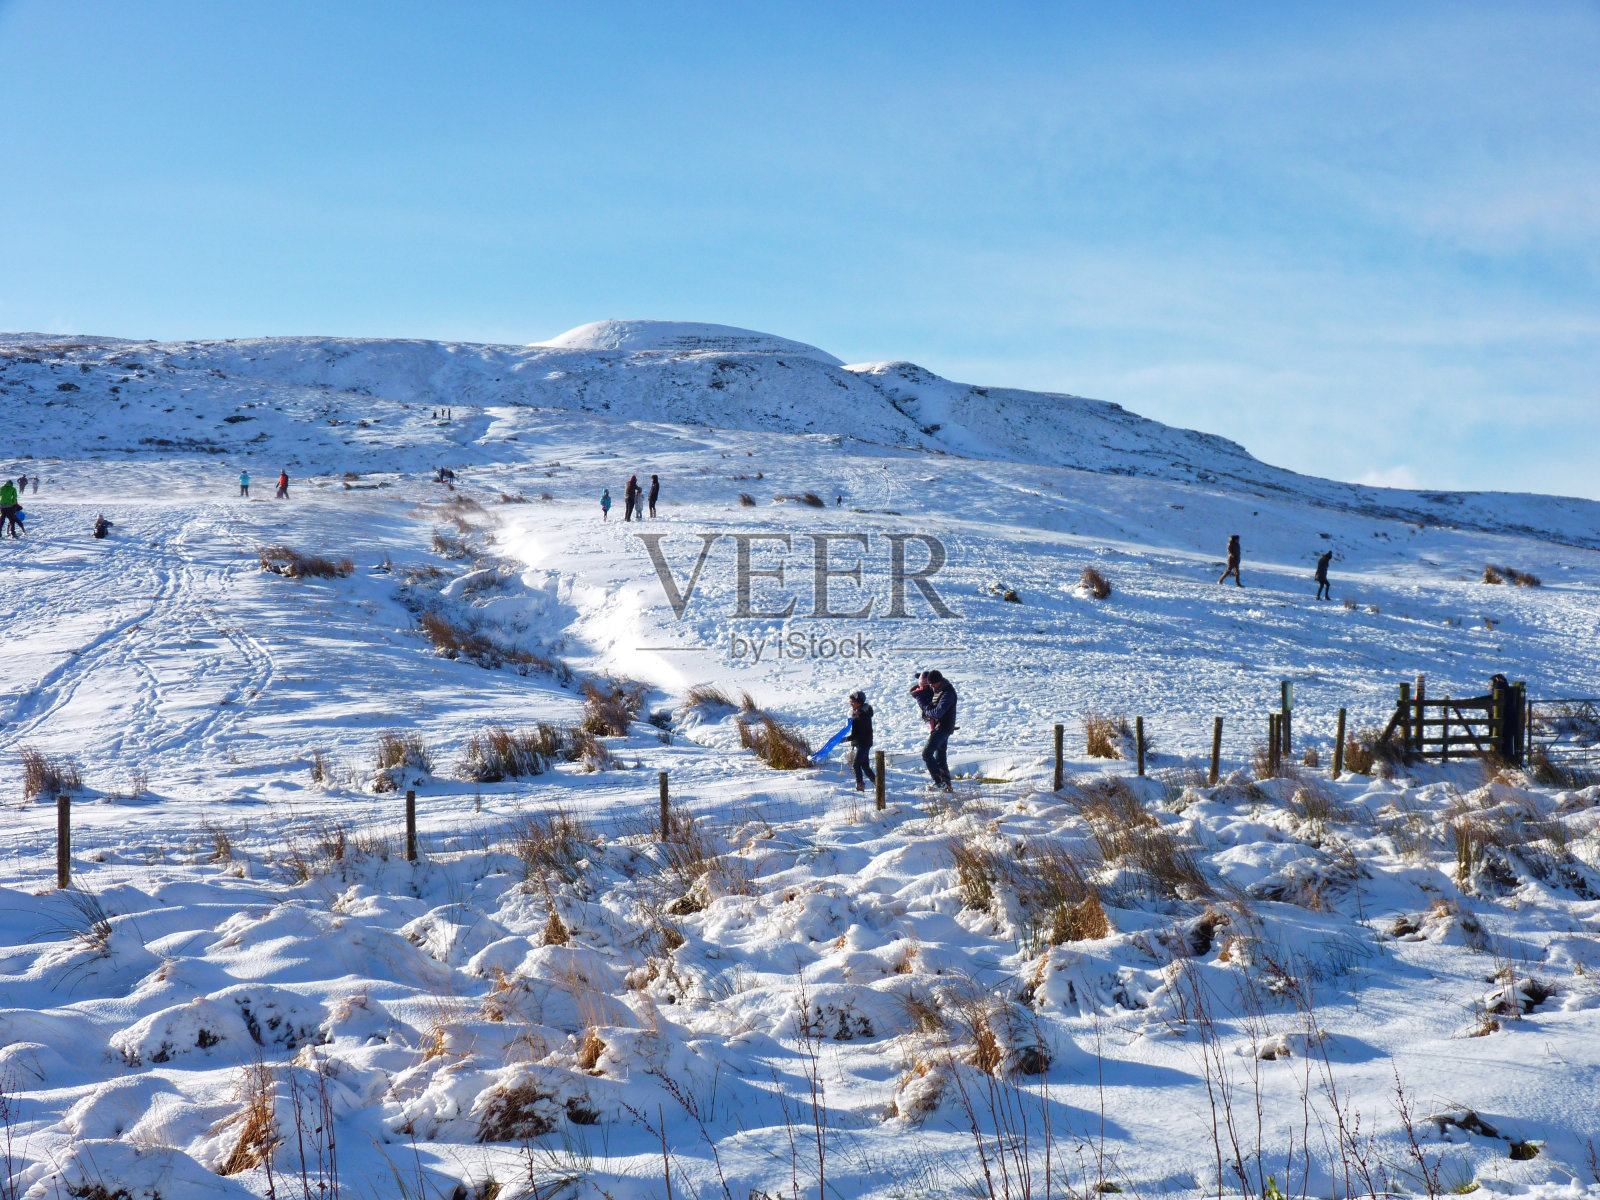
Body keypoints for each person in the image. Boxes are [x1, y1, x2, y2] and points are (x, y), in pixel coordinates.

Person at [910, 669, 958, 791]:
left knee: (926, 753)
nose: (930, 687)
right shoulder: (940, 690)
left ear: (939, 681)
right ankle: (947, 787)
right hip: (943, 727)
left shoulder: (947, 693)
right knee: (940, 758)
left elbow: (938, 712)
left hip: (942, 727)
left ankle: (939, 782)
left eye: (932, 684)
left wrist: (927, 712)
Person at [847, 690, 876, 792]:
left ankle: (860, 786)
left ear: (859, 702)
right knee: (865, 766)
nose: (851, 704)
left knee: (856, 765)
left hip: (863, 743)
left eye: (853, 702)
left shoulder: (862, 715)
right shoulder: (858, 712)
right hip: (862, 743)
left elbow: (859, 733)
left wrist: (847, 738)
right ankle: (878, 783)